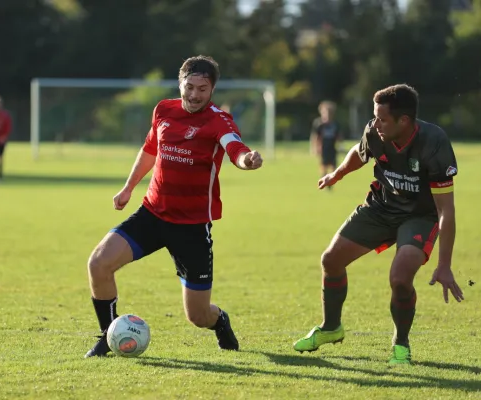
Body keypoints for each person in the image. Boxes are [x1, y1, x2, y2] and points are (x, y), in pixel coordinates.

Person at [85, 55, 263, 358]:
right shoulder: (164, 110)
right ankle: (107, 335)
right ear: (180, 83)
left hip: (192, 228)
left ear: (212, 90)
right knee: (98, 264)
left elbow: (235, 148)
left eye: (202, 89)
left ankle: (219, 320)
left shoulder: (219, 121)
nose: (194, 95)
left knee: (197, 316)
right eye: (189, 87)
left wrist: (248, 160)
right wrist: (128, 187)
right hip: (152, 214)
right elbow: (150, 149)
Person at [293, 84, 464, 365]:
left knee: (399, 279)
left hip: (419, 216)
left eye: (383, 118)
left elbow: (446, 209)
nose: (375, 123)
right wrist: (337, 174)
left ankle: (401, 343)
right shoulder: (376, 131)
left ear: (404, 121)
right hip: (381, 207)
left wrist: (444, 265)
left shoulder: (434, 142)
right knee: (331, 260)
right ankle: (331, 328)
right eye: (375, 117)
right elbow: (359, 154)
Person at [310, 101, 342, 189]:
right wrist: (315, 147)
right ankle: (323, 180)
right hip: (323, 147)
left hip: (332, 147)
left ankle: (330, 181)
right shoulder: (319, 124)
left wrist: (340, 144)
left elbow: (338, 136)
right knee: (324, 165)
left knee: (333, 166)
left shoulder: (335, 124)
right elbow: (316, 136)